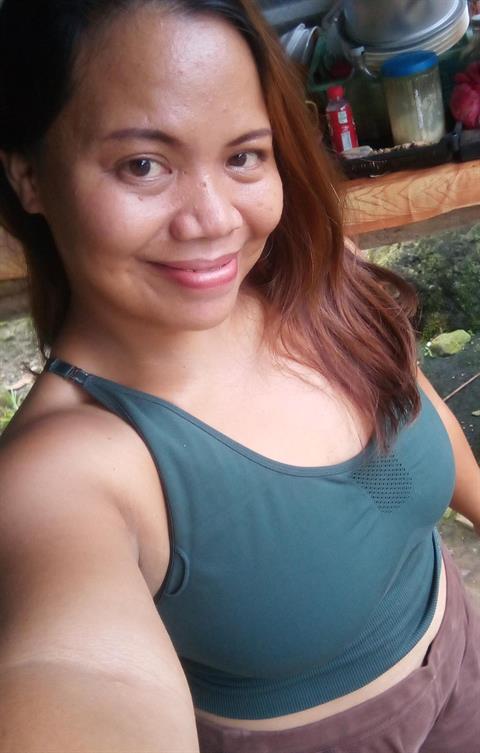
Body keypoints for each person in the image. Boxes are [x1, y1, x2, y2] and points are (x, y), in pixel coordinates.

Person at [0, 1, 479, 751]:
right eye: (143, 164)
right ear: (29, 176)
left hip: (460, 649)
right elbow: (76, 670)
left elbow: (408, 414)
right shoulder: (64, 471)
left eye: (243, 156)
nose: (216, 219)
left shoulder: (313, 282)